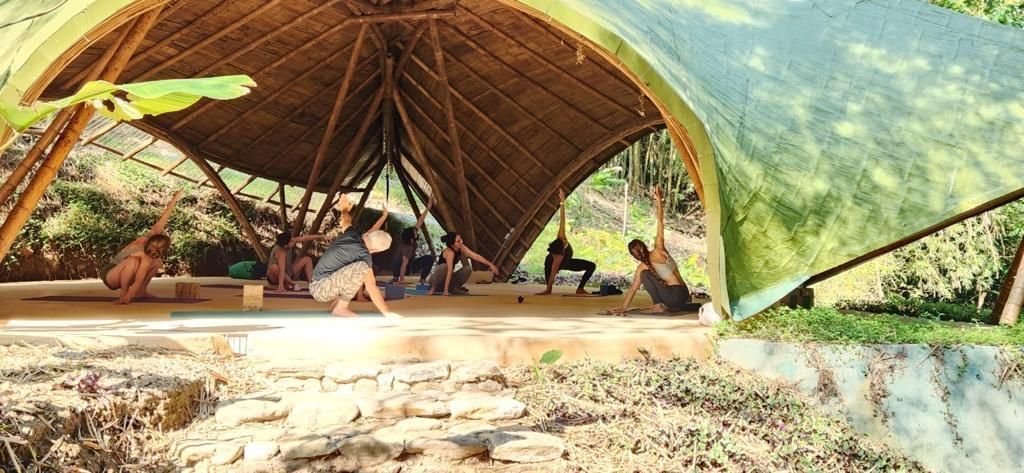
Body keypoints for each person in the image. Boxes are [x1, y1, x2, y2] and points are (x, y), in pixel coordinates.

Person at [309, 195, 398, 318]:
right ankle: (341, 308)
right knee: (361, 268)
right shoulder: (364, 256)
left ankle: (337, 303)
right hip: (321, 290)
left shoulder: (353, 233)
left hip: (318, 283)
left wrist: (344, 209)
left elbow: (346, 220)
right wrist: (387, 313)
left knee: (355, 269)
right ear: (375, 250)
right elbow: (371, 287)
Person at [608, 185, 690, 316]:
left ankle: (658, 306)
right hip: (685, 294)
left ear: (634, 256)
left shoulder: (642, 267)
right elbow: (660, 222)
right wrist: (659, 200)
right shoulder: (659, 250)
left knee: (645, 275)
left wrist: (624, 307)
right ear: (644, 246)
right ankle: (665, 306)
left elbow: (633, 288)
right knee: (647, 274)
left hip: (673, 297)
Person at [102, 190, 182, 305]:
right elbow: (161, 222)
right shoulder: (144, 240)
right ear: (150, 241)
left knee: (157, 262)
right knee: (132, 261)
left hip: (126, 272)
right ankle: (123, 293)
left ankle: (141, 292)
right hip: (110, 274)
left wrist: (131, 294)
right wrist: (125, 296)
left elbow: (139, 279)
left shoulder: (149, 256)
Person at [536, 189, 596, 295]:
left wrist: (562, 202)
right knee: (550, 271)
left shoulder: (561, 237)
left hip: (567, 262)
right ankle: (548, 288)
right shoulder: (557, 257)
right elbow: (553, 272)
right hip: (551, 264)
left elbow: (562, 220)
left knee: (591, 266)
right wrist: (548, 289)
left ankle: (580, 289)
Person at [426, 232, 498, 296]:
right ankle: (434, 288)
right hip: (436, 281)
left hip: (447, 280)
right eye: (458, 241)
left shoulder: (461, 247)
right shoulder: (450, 252)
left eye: (460, 239)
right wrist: (445, 290)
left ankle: (454, 288)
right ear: (452, 244)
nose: (461, 242)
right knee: (444, 267)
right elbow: (449, 270)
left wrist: (490, 264)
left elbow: (476, 256)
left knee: (467, 269)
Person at [390, 195, 436, 285]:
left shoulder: (410, 240)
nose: (417, 233)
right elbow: (404, 265)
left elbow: (420, 221)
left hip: (404, 266)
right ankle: (397, 277)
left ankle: (421, 279)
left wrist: (428, 208)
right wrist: (401, 281)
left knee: (428, 258)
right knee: (428, 259)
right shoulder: (407, 247)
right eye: (415, 233)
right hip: (401, 268)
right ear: (411, 237)